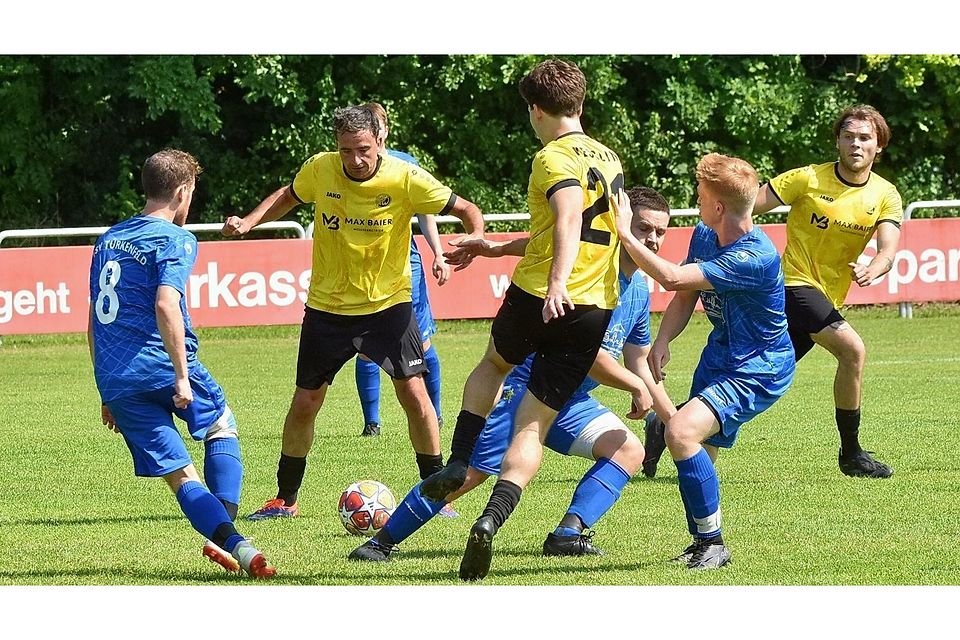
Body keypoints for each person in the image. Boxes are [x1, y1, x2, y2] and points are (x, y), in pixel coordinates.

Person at [348, 187, 674, 563]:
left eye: (659, 232)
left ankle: (567, 534)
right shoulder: (592, 273)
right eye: (643, 228)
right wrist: (634, 386)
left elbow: (639, 361)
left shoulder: (638, 288)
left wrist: (672, 423)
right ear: (619, 225)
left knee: (626, 450)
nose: (652, 239)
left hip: (569, 400)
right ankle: (380, 543)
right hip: (527, 389)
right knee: (467, 475)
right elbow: (589, 357)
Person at [221, 105, 484, 521]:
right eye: (346, 151)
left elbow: (467, 209)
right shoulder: (320, 169)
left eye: (362, 149)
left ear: (379, 141)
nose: (355, 160)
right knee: (306, 401)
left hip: (387, 307)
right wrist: (252, 221)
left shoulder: (406, 176)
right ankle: (284, 499)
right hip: (327, 309)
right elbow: (289, 195)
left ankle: (436, 495)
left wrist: (474, 238)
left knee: (414, 394)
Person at [419, 58, 624, 582]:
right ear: (580, 102)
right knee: (533, 423)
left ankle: (460, 459)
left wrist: (555, 282)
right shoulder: (609, 157)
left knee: (493, 363)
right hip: (595, 304)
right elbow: (582, 228)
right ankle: (491, 518)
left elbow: (568, 217)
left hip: (541, 294)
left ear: (536, 110)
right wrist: (491, 248)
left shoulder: (551, 157)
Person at [88, 149, 275, 578]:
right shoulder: (175, 238)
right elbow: (166, 304)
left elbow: (93, 320)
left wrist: (106, 392)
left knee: (181, 476)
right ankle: (224, 525)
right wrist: (181, 376)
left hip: (116, 378)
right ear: (182, 190)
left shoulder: (109, 239)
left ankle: (238, 549)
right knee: (220, 424)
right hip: (160, 364)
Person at [612, 152, 795, 570]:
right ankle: (702, 542)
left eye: (700, 194)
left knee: (679, 430)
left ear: (718, 206)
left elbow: (672, 278)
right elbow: (686, 292)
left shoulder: (755, 257)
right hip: (721, 355)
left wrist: (626, 233)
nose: (696, 199)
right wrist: (662, 338)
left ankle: (714, 543)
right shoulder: (706, 233)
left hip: (759, 367)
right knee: (694, 450)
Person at [752, 105, 901, 478]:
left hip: (826, 296)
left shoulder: (885, 194)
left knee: (763, 376)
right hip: (792, 284)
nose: (856, 143)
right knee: (853, 350)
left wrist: (873, 268)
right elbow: (746, 207)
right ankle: (851, 454)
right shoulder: (807, 178)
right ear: (837, 140)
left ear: (878, 146)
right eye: (848, 136)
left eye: (865, 138)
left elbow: (887, 250)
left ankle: (672, 421)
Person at [354, 102, 450, 439]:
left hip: (405, 266)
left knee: (421, 343)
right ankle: (372, 422)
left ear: (385, 132)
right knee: (365, 346)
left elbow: (427, 211)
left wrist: (437, 252)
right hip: (361, 269)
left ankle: (435, 413)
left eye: (378, 127)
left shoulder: (405, 164)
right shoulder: (346, 165)